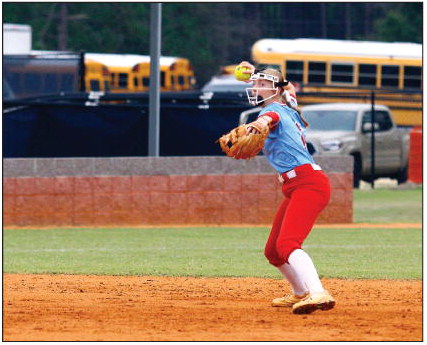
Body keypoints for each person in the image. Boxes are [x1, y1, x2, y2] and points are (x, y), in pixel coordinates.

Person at [238, 62, 335, 314]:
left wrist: (254, 127)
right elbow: (289, 86)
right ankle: (300, 292)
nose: (256, 88)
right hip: (296, 186)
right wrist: (258, 70)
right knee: (273, 251)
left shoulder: (272, 111)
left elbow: (268, 119)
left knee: (289, 243)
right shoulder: (289, 103)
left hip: (308, 184)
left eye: (262, 84)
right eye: (256, 84)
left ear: (275, 89)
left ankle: (318, 293)